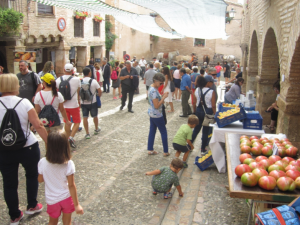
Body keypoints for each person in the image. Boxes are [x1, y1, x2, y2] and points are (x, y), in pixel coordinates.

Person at [0, 74, 48, 225]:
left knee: (9, 183)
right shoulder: (24, 103)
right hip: (28, 147)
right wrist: (49, 143)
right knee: (32, 175)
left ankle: (15, 215)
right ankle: (32, 205)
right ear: (16, 85)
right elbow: (38, 125)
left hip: (4, 149)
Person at [38, 130, 84, 225]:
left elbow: (40, 180)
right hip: (66, 198)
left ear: (48, 146)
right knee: (67, 221)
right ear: (65, 146)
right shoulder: (68, 164)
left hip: (52, 199)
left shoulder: (42, 162)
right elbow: (71, 185)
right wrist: (77, 205)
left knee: (52, 221)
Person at [56, 63, 81, 148]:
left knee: (67, 122)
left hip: (64, 105)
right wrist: (79, 101)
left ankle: (67, 138)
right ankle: (71, 137)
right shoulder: (77, 80)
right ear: (72, 71)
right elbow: (78, 92)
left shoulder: (58, 80)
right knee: (77, 122)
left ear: (64, 70)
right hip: (74, 104)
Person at [191, 76, 216, 154]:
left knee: (196, 130)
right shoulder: (212, 92)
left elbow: (194, 102)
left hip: (198, 111)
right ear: (208, 82)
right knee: (205, 132)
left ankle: (189, 145)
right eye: (212, 82)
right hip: (208, 112)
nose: (213, 84)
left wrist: (194, 111)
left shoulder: (197, 90)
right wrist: (215, 114)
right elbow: (213, 105)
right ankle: (203, 149)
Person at [147, 73, 169, 156]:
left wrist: (162, 96)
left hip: (152, 113)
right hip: (157, 115)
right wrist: (163, 98)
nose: (162, 85)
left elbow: (155, 101)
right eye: (161, 83)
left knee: (152, 131)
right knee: (163, 132)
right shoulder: (154, 91)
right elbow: (156, 105)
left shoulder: (151, 88)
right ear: (156, 81)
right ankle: (166, 151)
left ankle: (150, 149)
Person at [80, 67, 102, 139]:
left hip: (83, 102)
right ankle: (96, 129)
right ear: (89, 73)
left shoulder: (80, 81)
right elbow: (99, 90)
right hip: (93, 102)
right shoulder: (93, 81)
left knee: (85, 117)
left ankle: (87, 133)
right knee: (95, 116)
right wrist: (98, 96)